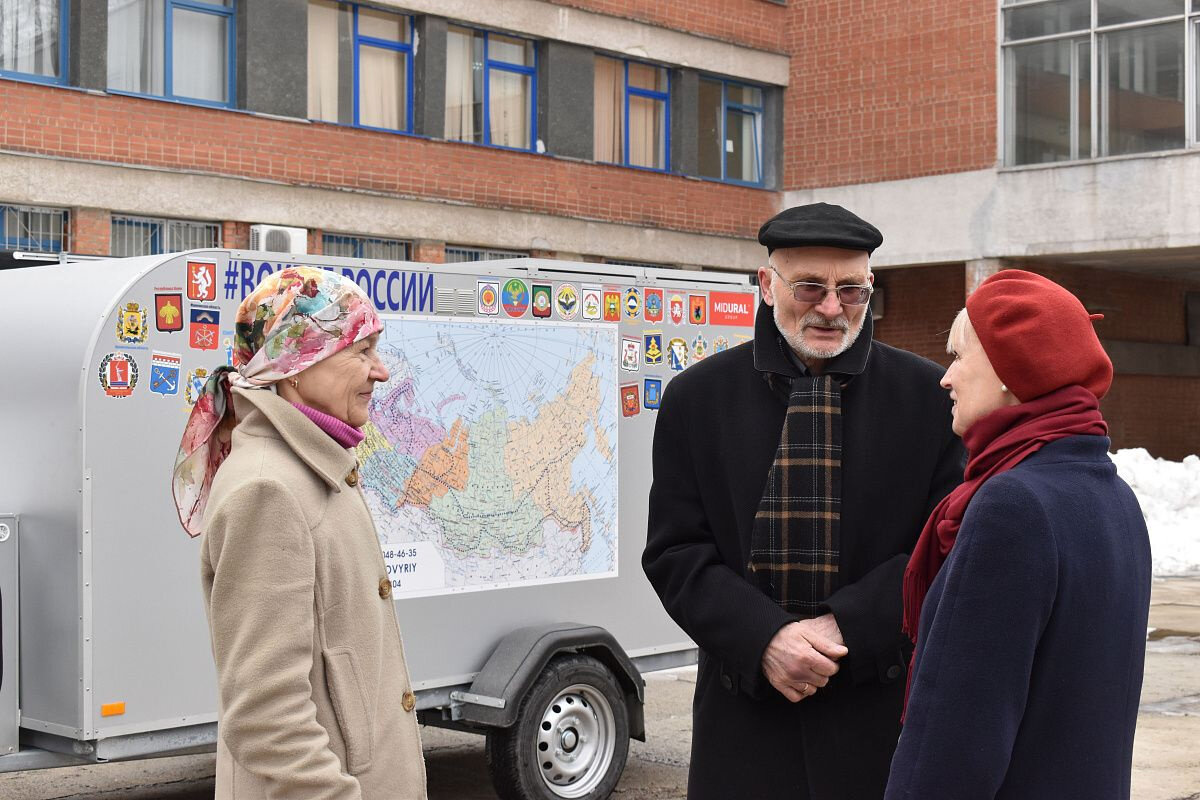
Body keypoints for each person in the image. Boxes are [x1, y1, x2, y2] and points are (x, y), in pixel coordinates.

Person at [642, 203, 966, 799]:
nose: (831, 308)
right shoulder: (697, 399)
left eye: (853, 291)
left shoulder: (929, 399)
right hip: (744, 721)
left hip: (878, 715)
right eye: (811, 286)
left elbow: (946, 548)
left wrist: (845, 626)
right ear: (767, 285)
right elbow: (675, 553)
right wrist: (765, 638)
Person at [885, 270, 1151, 799]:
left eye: (959, 357)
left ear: (1010, 369)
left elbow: (958, 730)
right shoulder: (1113, 496)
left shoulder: (1012, 505)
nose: (946, 377)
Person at [172, 267, 427, 800]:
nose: (380, 371)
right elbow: (266, 714)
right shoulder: (270, 490)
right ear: (295, 368)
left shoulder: (315, 468)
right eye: (361, 351)